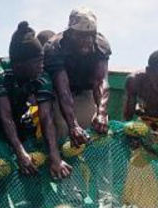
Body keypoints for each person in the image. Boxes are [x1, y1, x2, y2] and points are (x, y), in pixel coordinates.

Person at [0, 22, 71, 179]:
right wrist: (20, 152)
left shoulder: (41, 76)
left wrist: (55, 156)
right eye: (37, 62)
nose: (41, 66)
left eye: (42, 60)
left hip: (19, 121)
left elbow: (46, 117)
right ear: (19, 64)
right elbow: (5, 116)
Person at [43, 7, 111, 147]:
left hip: (86, 92)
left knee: (100, 132)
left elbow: (100, 81)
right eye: (81, 35)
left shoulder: (101, 45)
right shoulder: (54, 47)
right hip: (59, 94)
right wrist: (73, 125)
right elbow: (63, 90)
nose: (87, 40)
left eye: (91, 35)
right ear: (70, 33)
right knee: (64, 129)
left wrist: (102, 113)